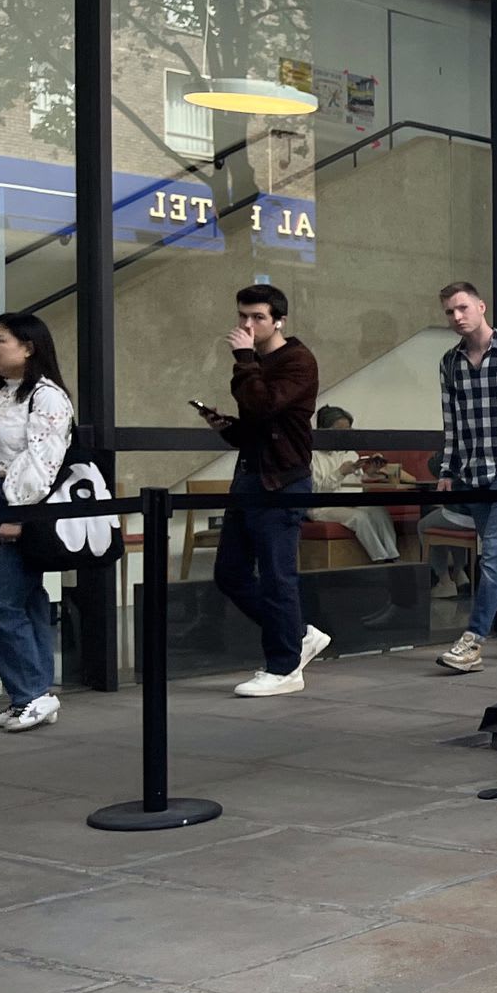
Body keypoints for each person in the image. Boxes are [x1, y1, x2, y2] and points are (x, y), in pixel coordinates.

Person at [200, 284, 326, 698]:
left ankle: (284, 667)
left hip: (282, 481)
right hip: (251, 476)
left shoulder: (297, 361)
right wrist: (228, 428)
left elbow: (265, 405)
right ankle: (299, 634)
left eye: (257, 317)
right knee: (230, 574)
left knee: (277, 577)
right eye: (242, 317)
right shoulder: (255, 363)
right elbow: (256, 425)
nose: (247, 325)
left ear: (279, 321)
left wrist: (243, 359)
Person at [0, 312, 74, 732]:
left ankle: (32, 695)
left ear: (29, 347)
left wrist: (20, 515)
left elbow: (45, 462)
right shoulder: (0, 396)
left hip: (23, 507)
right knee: (26, 601)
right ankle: (30, 693)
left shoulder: (47, 397)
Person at [435, 282, 497, 674]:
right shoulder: (450, 363)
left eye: (463, 308)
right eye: (450, 312)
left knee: (494, 556)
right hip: (473, 473)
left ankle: (473, 641)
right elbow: (451, 424)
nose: (457, 317)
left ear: (482, 306)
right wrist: (449, 471)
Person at [308, 407, 403, 563]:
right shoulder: (314, 456)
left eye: (348, 430)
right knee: (360, 517)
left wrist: (371, 471)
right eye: (340, 431)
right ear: (325, 431)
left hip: (349, 500)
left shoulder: (349, 453)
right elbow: (316, 490)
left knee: (379, 511)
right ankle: (380, 559)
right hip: (322, 505)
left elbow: (355, 484)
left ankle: (394, 556)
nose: (346, 435)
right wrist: (340, 472)